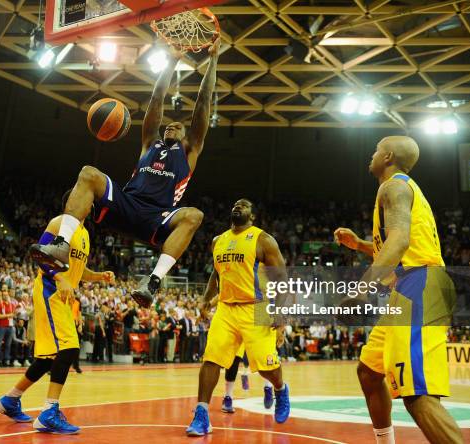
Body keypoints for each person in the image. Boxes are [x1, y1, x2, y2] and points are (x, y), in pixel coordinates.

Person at [29, 37, 222, 308]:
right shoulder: (149, 143)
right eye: (168, 126)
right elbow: (156, 99)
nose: (171, 127)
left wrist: (213, 59)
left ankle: (152, 282)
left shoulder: (189, 152)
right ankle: (61, 243)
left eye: (177, 127)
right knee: (88, 173)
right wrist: (172, 60)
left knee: (194, 215)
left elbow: (202, 105)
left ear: (187, 136)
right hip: (125, 204)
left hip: (157, 217)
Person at [334, 135, 463, 444]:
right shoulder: (400, 189)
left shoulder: (394, 186)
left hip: (419, 285)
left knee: (417, 396)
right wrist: (362, 245)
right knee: (369, 372)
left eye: (376, 149)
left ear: (388, 156)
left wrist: (363, 288)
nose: (372, 154)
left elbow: (400, 242)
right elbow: (401, 247)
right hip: (406, 286)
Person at [0, 209, 114, 435]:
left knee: (50, 357)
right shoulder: (60, 222)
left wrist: (98, 276)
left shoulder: (84, 233)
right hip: (50, 289)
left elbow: (78, 270)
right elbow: (41, 255)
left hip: (62, 295)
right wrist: (59, 278)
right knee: (69, 347)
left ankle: (10, 399)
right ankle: (49, 412)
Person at [187, 199, 290, 436]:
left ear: (252, 217)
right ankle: (202, 415)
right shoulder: (218, 241)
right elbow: (215, 274)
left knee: (266, 367)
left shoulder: (263, 240)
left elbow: (282, 279)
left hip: (257, 308)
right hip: (226, 309)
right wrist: (205, 299)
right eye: (235, 204)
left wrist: (281, 314)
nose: (238, 206)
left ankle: (280, 389)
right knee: (211, 359)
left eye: (244, 206)